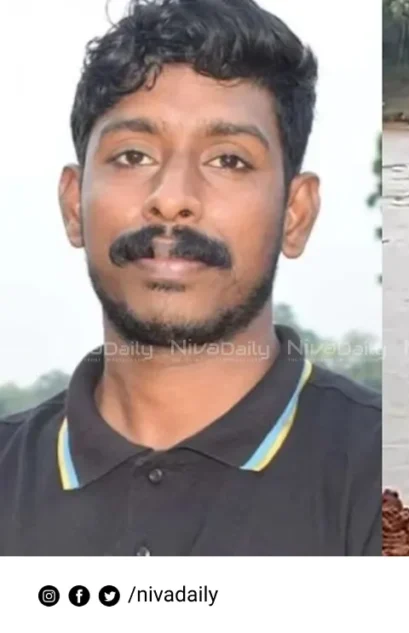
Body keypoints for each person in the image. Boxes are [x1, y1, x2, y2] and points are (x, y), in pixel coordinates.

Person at [0, 0, 380, 556]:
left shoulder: (377, 478)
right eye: (133, 156)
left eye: (228, 160)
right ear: (74, 205)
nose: (172, 199)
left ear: (295, 215)